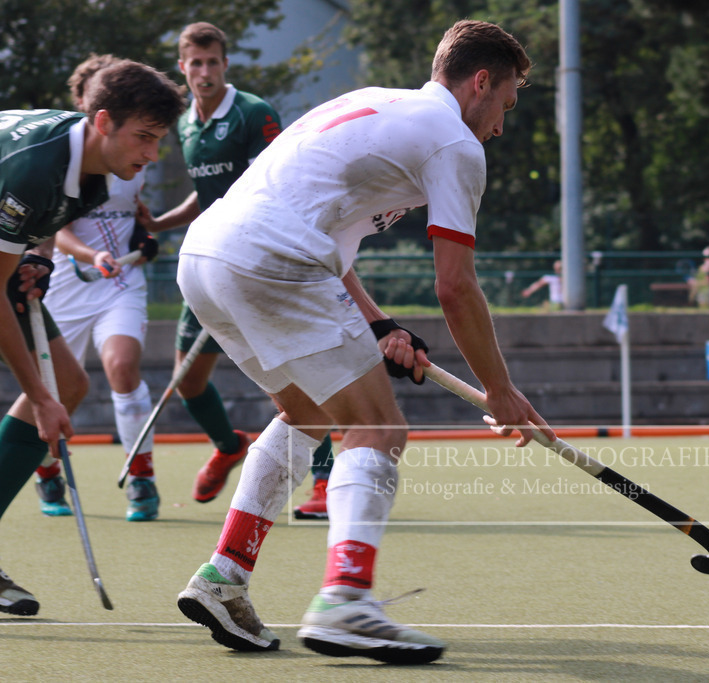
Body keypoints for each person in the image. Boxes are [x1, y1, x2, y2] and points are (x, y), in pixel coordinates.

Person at [173, 19, 548, 664]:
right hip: (271, 259)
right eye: (506, 105)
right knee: (378, 428)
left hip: (206, 259)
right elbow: (456, 288)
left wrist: (380, 326)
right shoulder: (455, 144)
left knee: (307, 413)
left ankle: (223, 576)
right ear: (481, 82)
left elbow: (330, 238)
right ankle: (346, 600)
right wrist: (500, 391)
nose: (500, 126)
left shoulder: (373, 103)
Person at [0, 60, 185, 615]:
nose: (153, 153)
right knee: (51, 390)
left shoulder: (98, 170)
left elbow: (39, 227)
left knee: (71, 383)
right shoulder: (35, 168)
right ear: (103, 121)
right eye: (144, 137)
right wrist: (38, 397)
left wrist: (36, 256)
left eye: (159, 139)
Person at [136, 22, 333, 505]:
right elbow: (208, 194)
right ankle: (229, 446)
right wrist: (160, 223)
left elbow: (277, 187)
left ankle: (325, 479)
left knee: (285, 381)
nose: (204, 72)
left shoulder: (253, 113)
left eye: (212, 62)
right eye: (195, 64)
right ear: (183, 68)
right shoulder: (186, 123)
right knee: (189, 382)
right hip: (208, 262)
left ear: (225, 64)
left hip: (257, 264)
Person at [32, 54, 164, 523]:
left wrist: (144, 238)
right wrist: (92, 256)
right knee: (56, 388)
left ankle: (141, 476)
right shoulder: (62, 162)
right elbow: (58, 231)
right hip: (67, 285)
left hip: (120, 283)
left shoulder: (133, 157)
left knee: (122, 367)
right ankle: (47, 472)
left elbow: (134, 215)